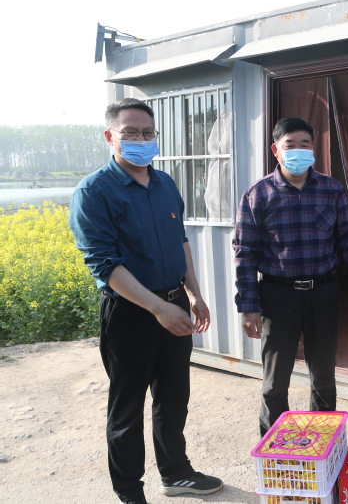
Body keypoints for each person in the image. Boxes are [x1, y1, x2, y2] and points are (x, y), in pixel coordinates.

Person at [68, 98, 222, 504]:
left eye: (147, 132)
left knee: (173, 399)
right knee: (128, 407)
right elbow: (104, 264)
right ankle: (130, 492)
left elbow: (180, 241)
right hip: (131, 314)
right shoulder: (94, 191)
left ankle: (176, 474)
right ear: (110, 137)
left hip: (175, 303)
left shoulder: (165, 183)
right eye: (130, 132)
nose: (141, 139)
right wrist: (158, 308)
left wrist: (194, 294)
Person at [233, 117, 348, 436]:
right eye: (290, 145)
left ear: (313, 148)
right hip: (278, 296)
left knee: (324, 375)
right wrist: (248, 307)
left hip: (323, 294)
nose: (298, 150)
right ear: (276, 150)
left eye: (305, 144)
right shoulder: (257, 194)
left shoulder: (332, 190)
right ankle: (275, 449)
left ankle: (324, 445)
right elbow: (245, 253)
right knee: (275, 380)